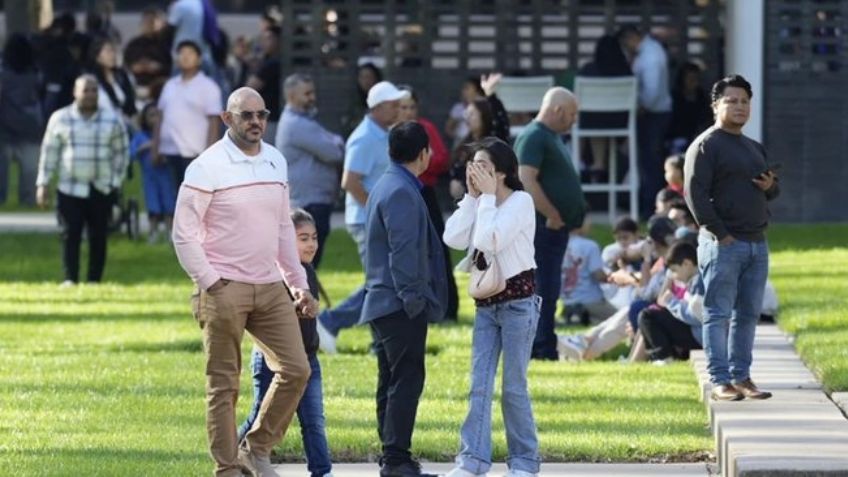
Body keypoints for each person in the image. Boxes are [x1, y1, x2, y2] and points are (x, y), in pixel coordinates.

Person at [172, 87, 316, 477]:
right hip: (223, 287)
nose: (255, 122)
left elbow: (283, 228)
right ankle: (227, 468)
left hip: (270, 286)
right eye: (246, 115)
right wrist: (211, 283)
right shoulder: (206, 167)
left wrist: (297, 283)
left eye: (261, 115)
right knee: (224, 386)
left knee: (297, 368)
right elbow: (183, 234)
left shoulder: (275, 161)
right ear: (227, 118)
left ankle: (255, 448)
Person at [443, 137, 540, 477]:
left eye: (483, 166)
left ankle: (524, 463)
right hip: (486, 306)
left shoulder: (521, 202)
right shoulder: (480, 203)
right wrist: (472, 199)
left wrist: (484, 200)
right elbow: (453, 238)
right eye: (472, 165)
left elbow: (490, 240)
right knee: (479, 385)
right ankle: (472, 461)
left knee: (513, 388)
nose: (475, 171)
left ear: (502, 172)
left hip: (518, 306)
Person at [684, 74, 779, 401]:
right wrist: (720, 234)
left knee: (749, 315)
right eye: (731, 101)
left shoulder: (753, 147)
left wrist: (770, 186)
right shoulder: (706, 145)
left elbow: (772, 191)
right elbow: (694, 194)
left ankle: (742, 377)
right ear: (716, 106)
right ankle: (720, 380)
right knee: (718, 313)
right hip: (723, 243)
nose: (740, 106)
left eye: (745, 101)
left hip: (757, 243)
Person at [361, 121, 447, 477]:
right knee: (406, 379)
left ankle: (393, 456)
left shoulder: (387, 184)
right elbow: (404, 252)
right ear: (424, 154)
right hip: (398, 303)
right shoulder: (401, 191)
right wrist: (414, 300)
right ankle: (396, 458)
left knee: (392, 379)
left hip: (383, 301)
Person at [237, 208, 334, 477]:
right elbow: (266, 314)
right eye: (303, 238)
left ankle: (322, 472)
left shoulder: (307, 272)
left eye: (314, 238)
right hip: (274, 359)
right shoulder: (272, 276)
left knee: (314, 421)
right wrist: (297, 308)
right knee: (261, 413)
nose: (311, 244)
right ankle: (233, 455)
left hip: (308, 358)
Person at [316, 81, 408, 354]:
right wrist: (378, 211)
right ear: (378, 107)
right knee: (382, 284)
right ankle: (331, 322)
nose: (399, 109)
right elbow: (350, 182)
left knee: (383, 283)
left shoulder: (381, 134)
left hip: (374, 220)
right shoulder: (365, 137)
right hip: (366, 221)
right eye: (393, 105)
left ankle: (376, 342)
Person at [35, 75, 129, 285]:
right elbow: (49, 153)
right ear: (75, 92)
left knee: (99, 236)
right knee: (70, 234)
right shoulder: (60, 118)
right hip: (69, 187)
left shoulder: (112, 120)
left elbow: (121, 154)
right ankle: (70, 278)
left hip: (101, 187)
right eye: (85, 90)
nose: (90, 95)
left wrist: (114, 181)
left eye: (94, 90)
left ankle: (94, 280)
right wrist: (43, 183)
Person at [515, 87, 585, 360]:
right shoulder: (534, 136)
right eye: (572, 114)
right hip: (543, 228)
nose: (574, 120)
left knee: (550, 288)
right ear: (557, 110)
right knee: (542, 287)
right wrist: (552, 215)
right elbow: (526, 179)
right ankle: (540, 346)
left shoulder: (550, 137)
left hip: (554, 228)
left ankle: (545, 342)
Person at [397, 85, 459, 320]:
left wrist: (421, 162)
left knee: (436, 248)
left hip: (425, 193)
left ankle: (447, 306)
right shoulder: (391, 131)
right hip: (403, 194)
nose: (408, 112)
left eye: (412, 107)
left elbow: (441, 159)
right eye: (403, 107)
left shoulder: (426, 128)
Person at [275, 73, 345, 268]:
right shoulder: (297, 124)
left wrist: (336, 142)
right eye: (307, 94)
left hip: (314, 200)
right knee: (306, 265)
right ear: (291, 96)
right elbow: (334, 152)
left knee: (308, 265)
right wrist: (336, 143)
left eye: (312, 92)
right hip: (309, 203)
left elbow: (336, 142)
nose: (312, 97)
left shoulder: (305, 121)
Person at [618, 25, 673, 219]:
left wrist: (642, 105)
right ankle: (649, 204)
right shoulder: (649, 52)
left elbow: (652, 90)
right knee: (649, 162)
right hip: (653, 113)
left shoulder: (650, 56)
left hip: (653, 114)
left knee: (651, 163)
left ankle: (650, 208)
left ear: (631, 37)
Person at [153, 40, 222, 189]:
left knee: (194, 194)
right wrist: (155, 147)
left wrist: (210, 155)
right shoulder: (170, 85)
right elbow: (160, 117)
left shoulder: (208, 87)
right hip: (169, 151)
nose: (185, 57)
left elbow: (214, 122)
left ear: (199, 59)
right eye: (181, 53)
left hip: (195, 153)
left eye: (190, 53)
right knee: (173, 195)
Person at [577, 34, 632, 182]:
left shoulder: (588, 70)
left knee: (593, 120)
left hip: (590, 126)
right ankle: (623, 169)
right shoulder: (625, 71)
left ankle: (592, 164)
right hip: (621, 126)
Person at [638, 241, 704, 364]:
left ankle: (663, 356)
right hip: (698, 332)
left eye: (674, 270)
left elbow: (696, 317)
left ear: (687, 264)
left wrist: (671, 302)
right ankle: (663, 356)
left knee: (647, 316)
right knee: (651, 313)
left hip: (701, 336)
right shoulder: (695, 281)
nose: (674, 276)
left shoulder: (699, 283)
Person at [0, 33, 44, 207]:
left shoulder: (3, 74)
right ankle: (28, 203)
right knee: (30, 175)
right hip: (31, 129)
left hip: (4, 130)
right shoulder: (37, 74)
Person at [560, 214, 617, 325]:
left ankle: (578, 318)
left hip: (565, 303)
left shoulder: (559, 245)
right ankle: (589, 319)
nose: (590, 224)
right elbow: (598, 275)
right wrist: (614, 275)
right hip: (590, 301)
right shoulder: (590, 246)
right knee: (621, 318)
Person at [131, 103, 176, 244]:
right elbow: (132, 153)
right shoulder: (140, 137)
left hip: (166, 175)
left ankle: (170, 233)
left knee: (169, 203)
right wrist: (146, 147)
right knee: (153, 204)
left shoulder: (167, 135)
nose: (155, 119)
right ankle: (153, 232)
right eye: (151, 115)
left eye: (157, 115)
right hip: (149, 177)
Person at [449, 98, 497, 200]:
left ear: (483, 116)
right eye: (467, 114)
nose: (467, 118)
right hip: (464, 199)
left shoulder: (493, 144)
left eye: (472, 114)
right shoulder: (464, 143)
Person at [87, 37, 138, 123]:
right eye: (108, 51)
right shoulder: (92, 80)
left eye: (113, 51)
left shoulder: (123, 76)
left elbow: (131, 100)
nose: (112, 55)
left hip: (126, 120)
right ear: (98, 57)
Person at [123, 7, 171, 95]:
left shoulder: (165, 44)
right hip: (137, 86)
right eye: (146, 22)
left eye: (152, 22)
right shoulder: (133, 45)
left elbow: (171, 65)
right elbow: (126, 65)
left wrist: (158, 67)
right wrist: (135, 67)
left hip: (161, 87)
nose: (148, 25)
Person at [246, 25, 282, 142]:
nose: (264, 43)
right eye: (263, 39)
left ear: (278, 40)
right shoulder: (268, 60)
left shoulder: (273, 63)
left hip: (270, 119)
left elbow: (250, 86)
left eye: (268, 38)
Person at [668, 62, 712, 154]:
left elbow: (706, 120)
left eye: (696, 78)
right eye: (690, 78)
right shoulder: (674, 98)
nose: (693, 82)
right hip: (677, 140)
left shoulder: (702, 99)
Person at [341, 63, 382, 137]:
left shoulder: (383, 99)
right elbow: (347, 125)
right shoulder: (353, 100)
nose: (365, 81)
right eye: (362, 77)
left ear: (376, 78)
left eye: (368, 77)